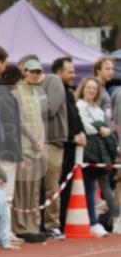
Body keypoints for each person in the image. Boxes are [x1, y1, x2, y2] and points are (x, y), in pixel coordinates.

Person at [76, 76, 118, 237]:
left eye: (94, 88)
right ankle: (91, 221)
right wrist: (102, 129)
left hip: (101, 153)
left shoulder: (98, 109)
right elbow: (88, 127)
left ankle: (97, 221)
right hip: (86, 152)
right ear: (83, 88)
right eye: (89, 87)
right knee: (88, 186)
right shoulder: (79, 106)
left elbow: (105, 126)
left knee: (97, 186)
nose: (92, 90)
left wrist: (105, 129)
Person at [12, 58, 48, 242]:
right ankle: (20, 226)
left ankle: (33, 225)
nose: (35, 75)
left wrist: (41, 141)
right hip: (24, 146)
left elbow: (41, 120)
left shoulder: (37, 93)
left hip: (36, 148)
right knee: (21, 190)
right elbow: (19, 121)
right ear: (25, 71)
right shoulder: (17, 91)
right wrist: (35, 140)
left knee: (34, 191)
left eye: (37, 72)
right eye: (32, 71)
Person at [52, 57, 87, 228]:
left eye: (74, 71)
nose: (74, 75)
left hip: (73, 147)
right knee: (58, 187)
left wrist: (82, 133)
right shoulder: (54, 92)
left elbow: (75, 117)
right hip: (61, 146)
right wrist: (71, 137)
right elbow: (56, 120)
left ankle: (63, 221)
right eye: (70, 72)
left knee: (69, 187)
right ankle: (56, 223)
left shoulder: (69, 92)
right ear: (59, 72)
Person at [39, 62, 71, 240]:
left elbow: (51, 108)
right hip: (35, 141)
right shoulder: (26, 85)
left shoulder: (54, 81)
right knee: (34, 187)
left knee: (51, 185)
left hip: (52, 141)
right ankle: (35, 223)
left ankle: (52, 225)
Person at [0, 63, 24, 202]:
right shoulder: (6, 98)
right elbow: (9, 128)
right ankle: (4, 224)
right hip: (6, 153)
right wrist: (18, 155)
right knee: (5, 196)